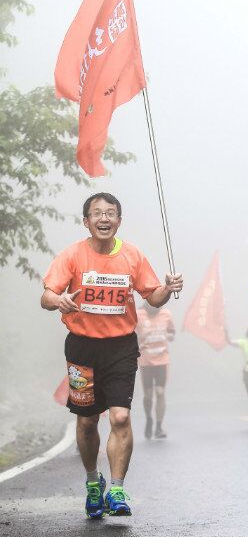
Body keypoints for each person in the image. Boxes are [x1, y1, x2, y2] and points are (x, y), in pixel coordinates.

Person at [41, 193, 183, 518]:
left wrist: (168, 287)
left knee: (120, 417)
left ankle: (117, 489)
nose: (104, 219)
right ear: (86, 221)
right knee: (88, 421)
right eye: (97, 213)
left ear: (119, 221)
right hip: (82, 347)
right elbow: (46, 296)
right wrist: (59, 300)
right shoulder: (72, 255)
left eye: (110, 213)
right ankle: (94, 482)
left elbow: (154, 297)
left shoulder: (132, 256)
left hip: (120, 347)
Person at [136, 303, 176, 440]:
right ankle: (149, 419)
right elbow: (129, 332)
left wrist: (170, 336)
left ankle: (159, 426)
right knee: (148, 395)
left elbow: (172, 331)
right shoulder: (138, 314)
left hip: (162, 360)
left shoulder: (166, 314)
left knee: (160, 392)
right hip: (145, 360)